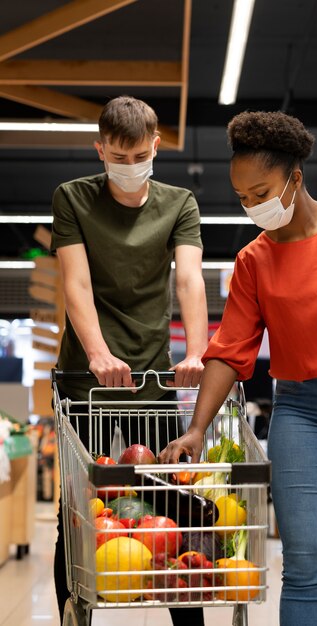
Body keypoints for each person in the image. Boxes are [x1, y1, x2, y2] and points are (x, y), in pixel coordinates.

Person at [159, 110, 317, 625]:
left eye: (262, 191)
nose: (253, 206)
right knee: (303, 565)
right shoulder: (253, 261)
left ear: (294, 178)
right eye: (243, 198)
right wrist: (196, 428)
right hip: (301, 411)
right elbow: (231, 349)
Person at [51, 96, 208, 625]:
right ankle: (76, 617)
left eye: (139, 154)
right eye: (117, 155)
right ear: (100, 150)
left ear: (156, 147)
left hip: (153, 381)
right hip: (86, 386)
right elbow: (75, 283)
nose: (128, 164)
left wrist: (197, 350)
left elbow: (187, 278)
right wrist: (97, 353)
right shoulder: (72, 199)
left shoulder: (179, 202)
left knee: (173, 513)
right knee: (78, 517)